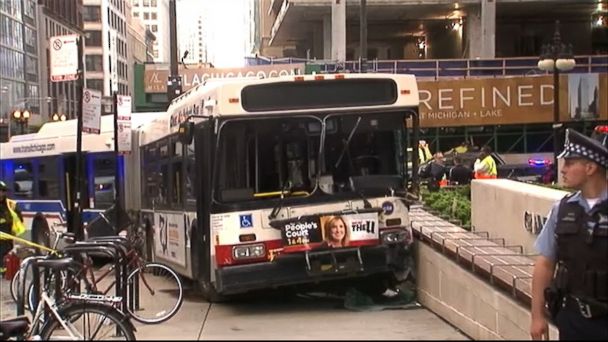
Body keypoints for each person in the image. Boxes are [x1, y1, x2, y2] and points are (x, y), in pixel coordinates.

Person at [530, 128, 608, 340]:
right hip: (573, 320)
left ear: (590, 167)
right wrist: (537, 316)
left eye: (570, 163)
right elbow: (545, 263)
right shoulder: (562, 209)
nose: (562, 169)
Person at [0, 180, 25, 274]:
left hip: (8, 234)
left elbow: (18, 216)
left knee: (8, 252)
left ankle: (7, 270)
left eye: (3, 191)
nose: (2, 193)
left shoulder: (10, 204)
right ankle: (3, 270)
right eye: (0, 191)